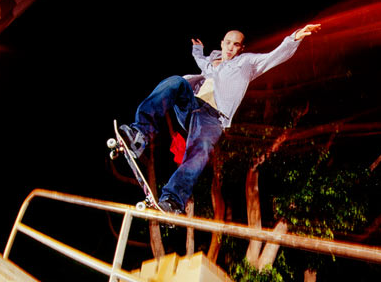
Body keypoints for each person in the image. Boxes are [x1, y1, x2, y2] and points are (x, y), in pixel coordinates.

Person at [120, 23, 322, 213]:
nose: (231, 48)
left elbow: (274, 56)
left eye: (236, 45)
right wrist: (198, 50)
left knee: (200, 151)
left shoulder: (247, 63)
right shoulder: (211, 60)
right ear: (222, 43)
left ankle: (173, 200)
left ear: (242, 48)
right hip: (192, 106)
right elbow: (200, 61)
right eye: (228, 43)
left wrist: (294, 37)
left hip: (213, 118)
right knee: (175, 82)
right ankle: (139, 134)